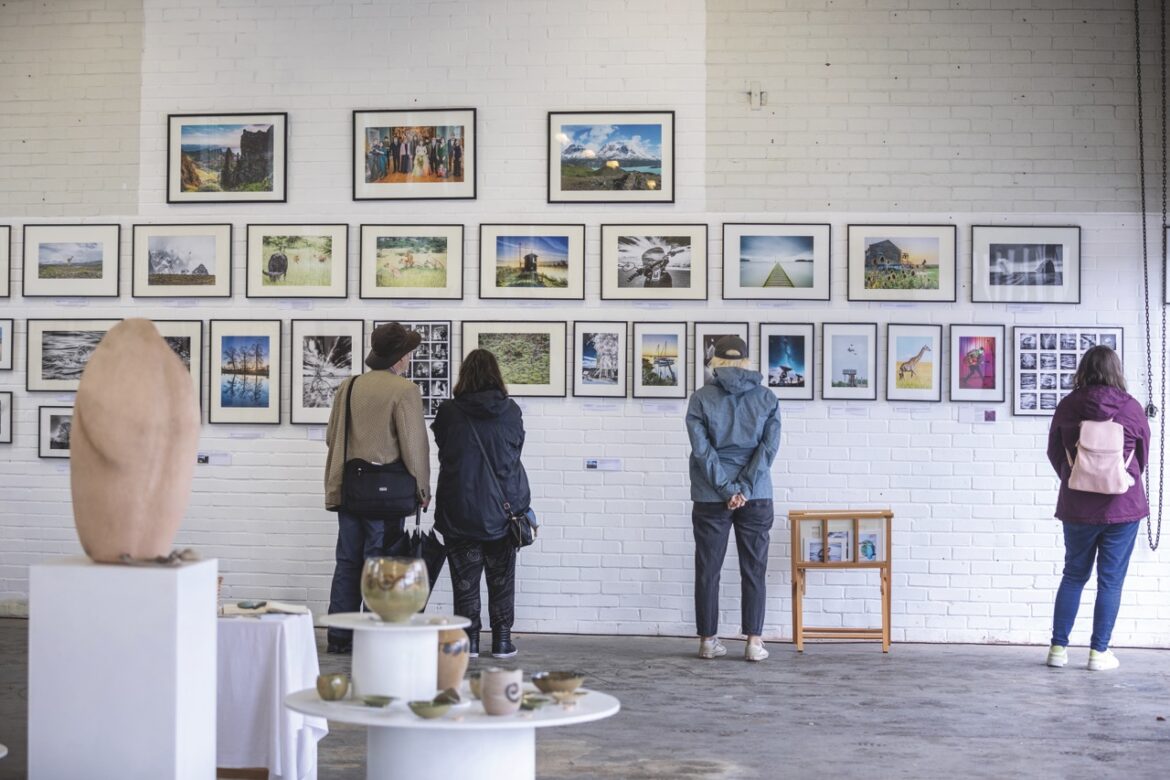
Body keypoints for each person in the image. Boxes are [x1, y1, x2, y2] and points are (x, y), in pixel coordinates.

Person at [323, 322, 431, 654]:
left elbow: (332, 437)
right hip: (386, 494)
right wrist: (424, 489)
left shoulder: (349, 386)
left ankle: (340, 637)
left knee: (347, 561)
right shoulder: (404, 391)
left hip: (350, 489)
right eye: (409, 353)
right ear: (400, 357)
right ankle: (373, 637)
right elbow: (414, 447)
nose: (410, 359)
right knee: (379, 563)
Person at [1045, 345, 1150, 671]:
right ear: (1116, 370)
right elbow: (1143, 456)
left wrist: (1074, 476)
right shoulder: (1131, 408)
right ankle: (1098, 653)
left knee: (1074, 575)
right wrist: (1120, 479)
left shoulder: (1068, 406)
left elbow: (1053, 452)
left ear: (1083, 369)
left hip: (1077, 505)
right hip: (1123, 505)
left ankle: (1058, 650)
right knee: (1110, 582)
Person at [685, 335, 780, 662]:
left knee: (708, 569)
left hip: (711, 495)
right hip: (756, 495)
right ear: (746, 361)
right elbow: (767, 451)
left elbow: (701, 451)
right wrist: (744, 489)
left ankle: (708, 641)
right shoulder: (767, 398)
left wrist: (727, 489)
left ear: (715, 361)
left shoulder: (700, 398)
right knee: (754, 568)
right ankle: (754, 642)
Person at [431, 349, 530, 658]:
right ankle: (502, 641)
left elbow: (443, 449)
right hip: (503, 512)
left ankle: (469, 641)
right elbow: (516, 450)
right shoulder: (510, 410)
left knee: (465, 580)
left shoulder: (448, 412)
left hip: (459, 510)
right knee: (501, 579)